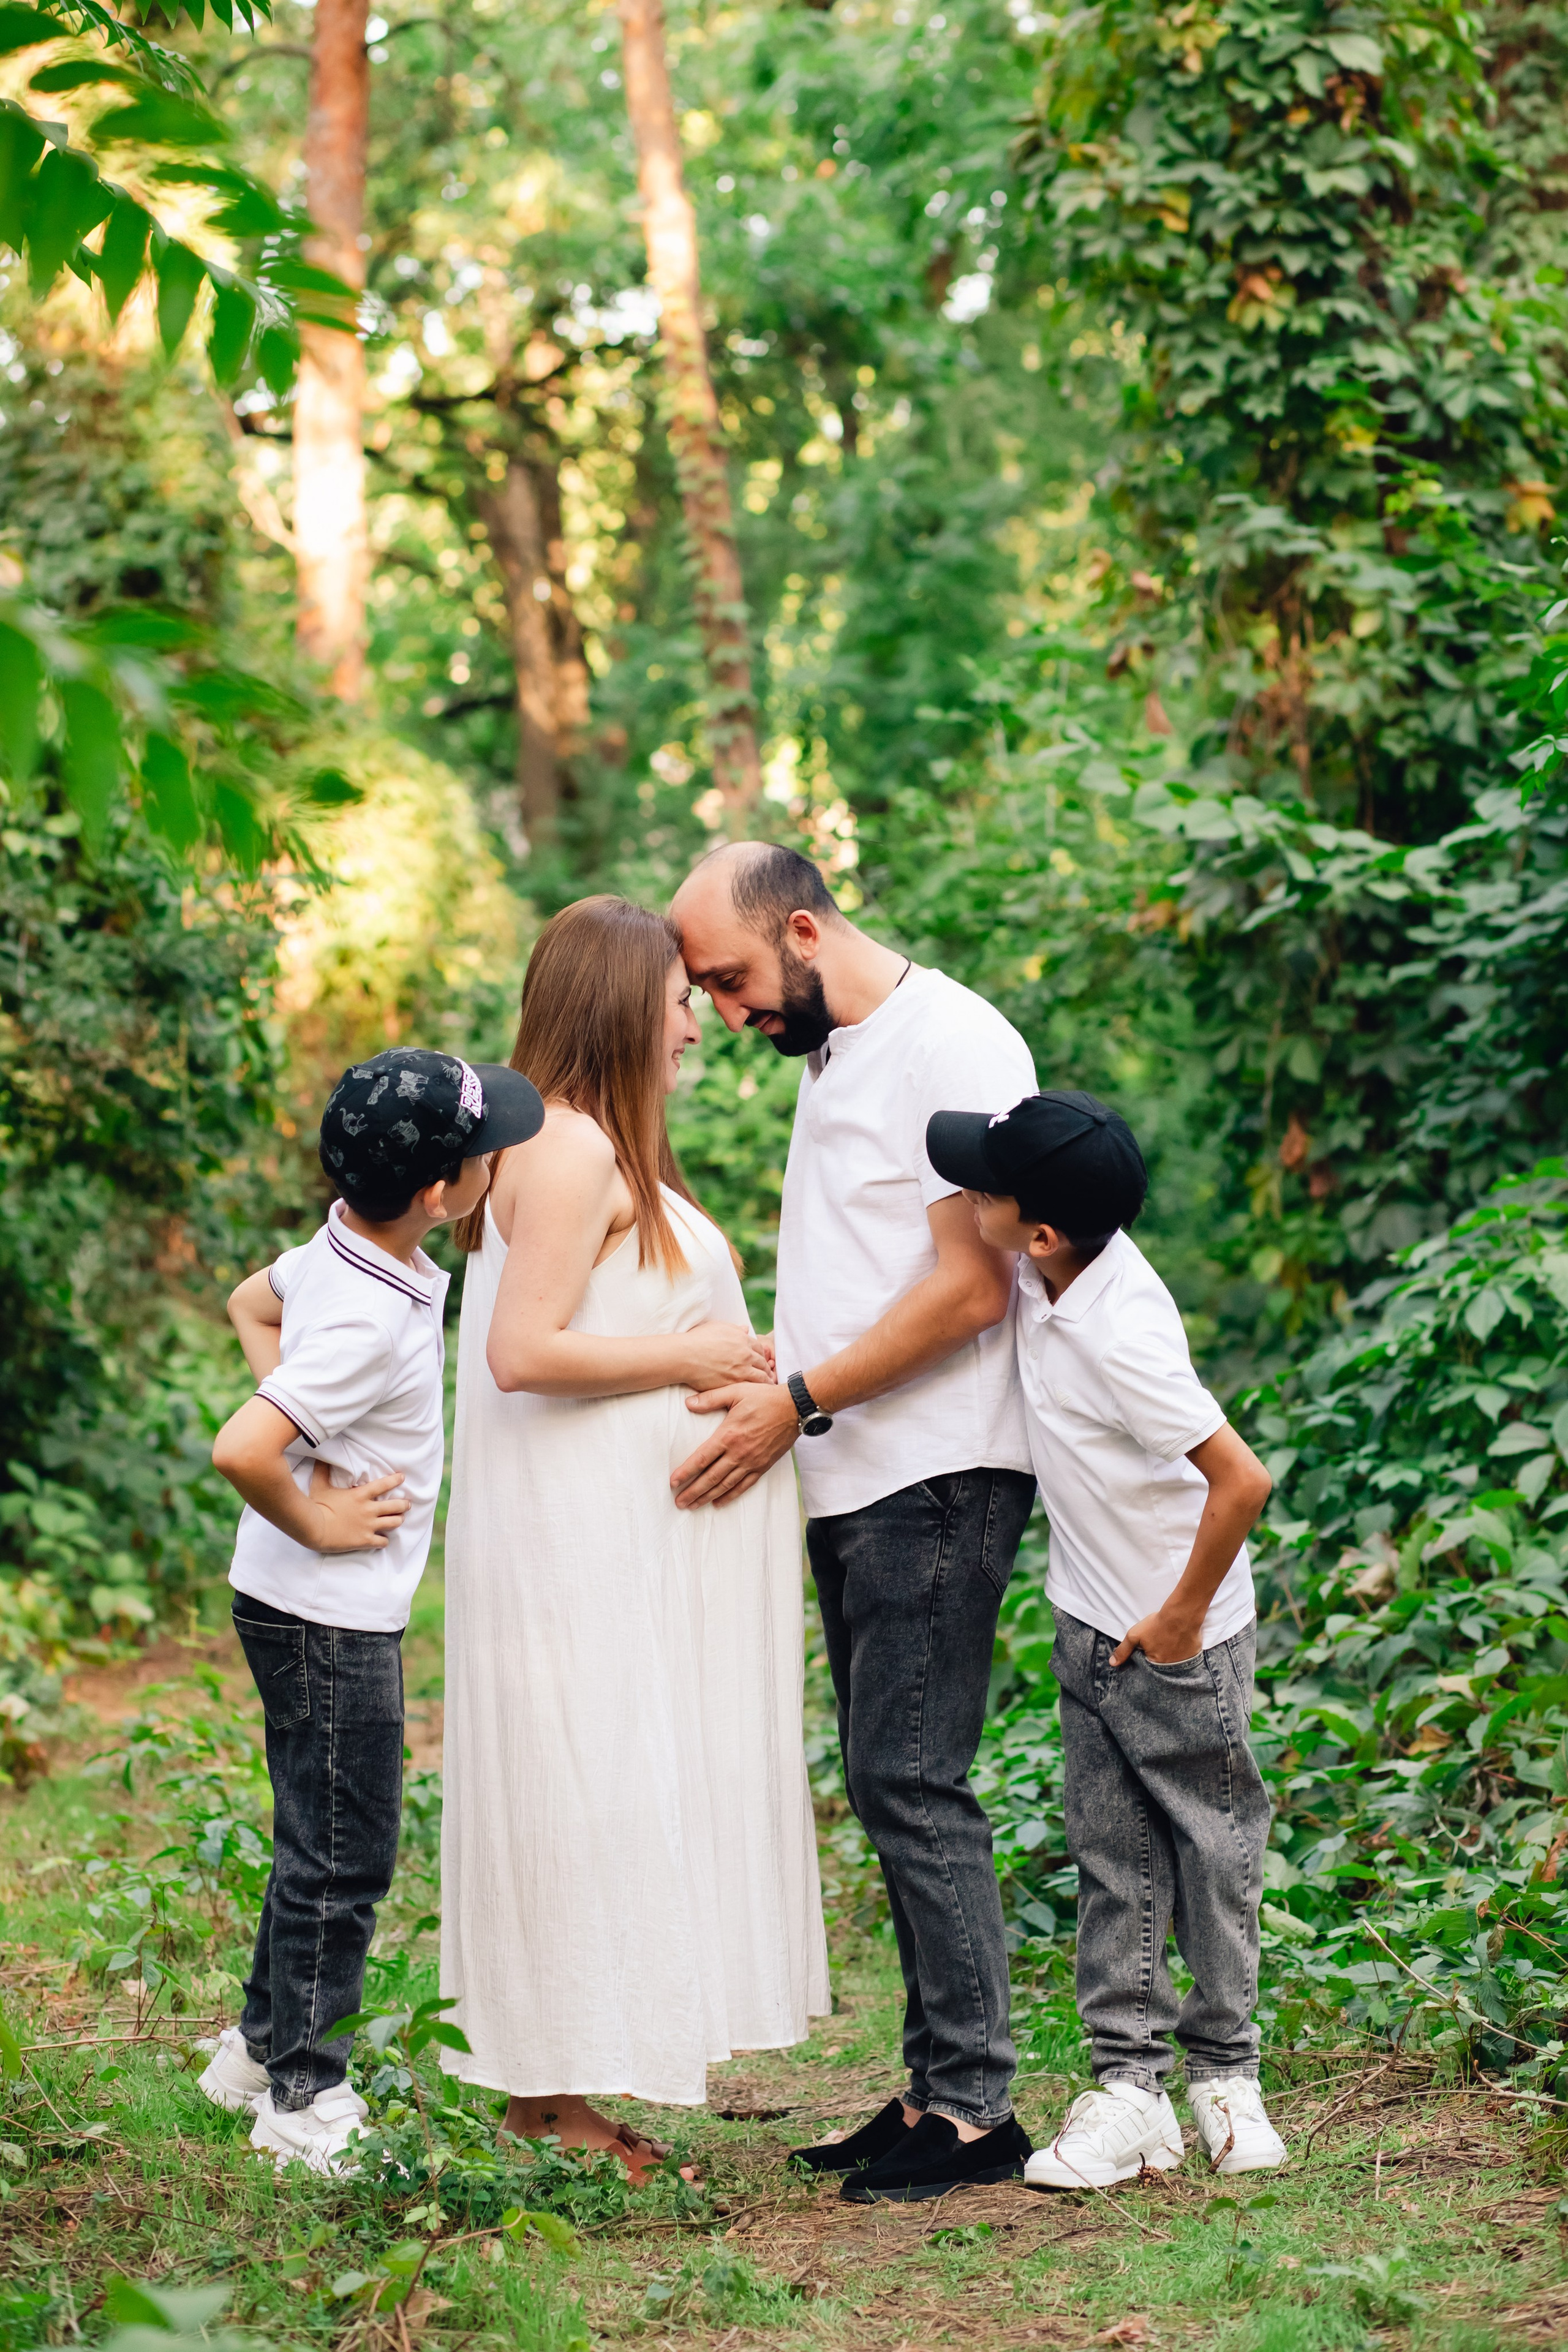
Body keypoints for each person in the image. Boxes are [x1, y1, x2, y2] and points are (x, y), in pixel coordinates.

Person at [669, 843, 1038, 2204]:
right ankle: (935, 2083)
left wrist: (803, 1397)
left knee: (911, 1778)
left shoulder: (952, 1044)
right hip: (857, 1466)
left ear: (806, 931)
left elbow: (971, 1290)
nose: (721, 1011)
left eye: (730, 979)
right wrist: (782, 1363)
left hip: (935, 1471)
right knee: (888, 1781)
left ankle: (975, 2112)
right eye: (703, 991)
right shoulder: (835, 1056)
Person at [437, 895, 828, 2177]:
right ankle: (546, 2104)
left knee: (602, 1789)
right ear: (620, 1007)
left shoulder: (582, 1146)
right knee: (580, 1785)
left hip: (615, 1539)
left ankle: (565, 2088)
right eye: (677, 1006)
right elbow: (521, 1353)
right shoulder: (567, 1152)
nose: (696, 1031)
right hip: (580, 1545)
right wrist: (698, 1353)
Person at [924, 1088, 1286, 2187]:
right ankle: (1131, 2091)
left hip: (1179, 1638)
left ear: (1038, 1228)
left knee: (1212, 1854)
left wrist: (1179, 1616)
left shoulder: (1120, 1328)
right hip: (1090, 1623)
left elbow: (1242, 1479)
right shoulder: (1048, 1271)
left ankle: (1227, 2076)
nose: (964, 1191)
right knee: (1112, 1860)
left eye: (983, 1184)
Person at [200, 1047, 545, 2176]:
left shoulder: (339, 1248)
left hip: (293, 1606)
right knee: (345, 1855)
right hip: (327, 1613)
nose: (498, 1157)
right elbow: (241, 1446)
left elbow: (251, 1302)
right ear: (441, 1195)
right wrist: (319, 1513)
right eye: (483, 1148)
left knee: (318, 1835)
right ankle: (306, 2095)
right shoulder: (369, 1315)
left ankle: (257, 2051)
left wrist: (315, 1450)